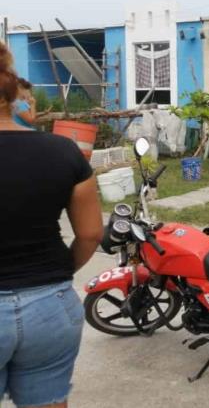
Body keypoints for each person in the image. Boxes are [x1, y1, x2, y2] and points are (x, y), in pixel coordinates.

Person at [0, 44, 104, 407]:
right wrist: (56, 275)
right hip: (50, 306)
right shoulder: (64, 151)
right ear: (13, 91)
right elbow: (90, 233)